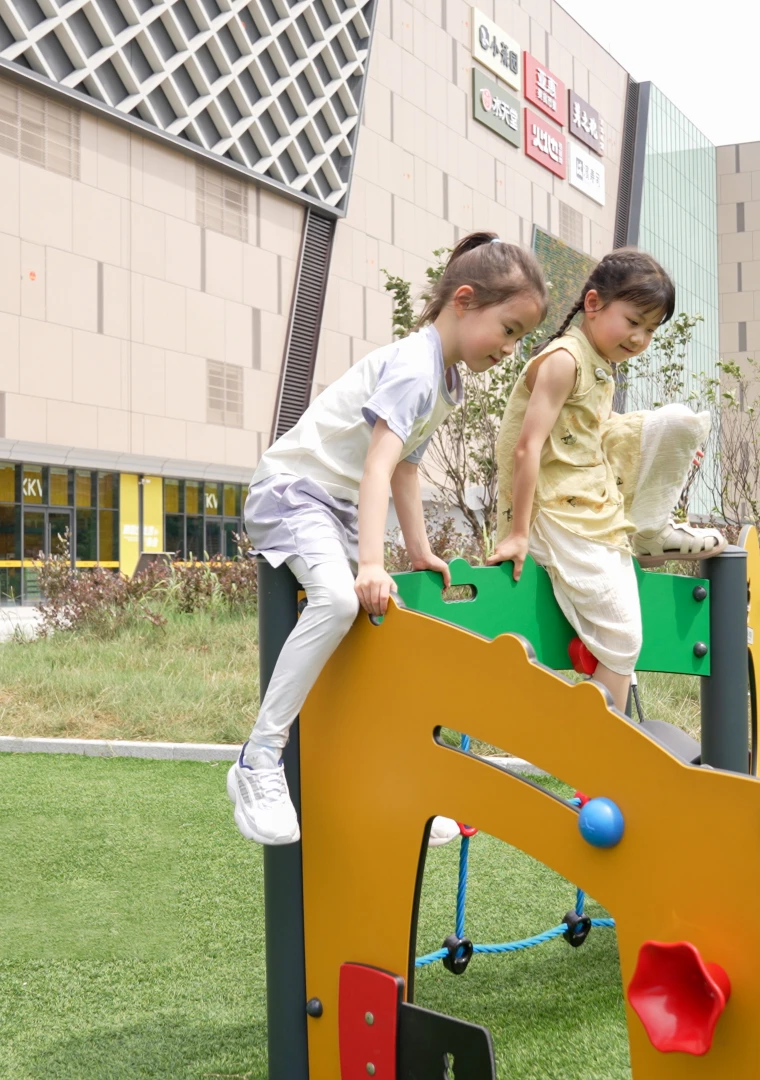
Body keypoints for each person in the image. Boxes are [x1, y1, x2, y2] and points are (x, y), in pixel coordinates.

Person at [228, 232, 550, 846]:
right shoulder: (413, 367)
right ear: (463, 301)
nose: (510, 350)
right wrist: (372, 564)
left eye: (518, 339)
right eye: (508, 330)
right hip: (293, 492)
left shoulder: (445, 381)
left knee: (384, 633)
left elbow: (406, 469)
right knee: (342, 600)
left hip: (334, 505)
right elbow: (378, 464)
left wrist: (418, 550)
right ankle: (258, 760)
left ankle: (393, 777)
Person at [487, 248, 724, 709]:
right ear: (593, 304)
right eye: (633, 321)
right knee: (621, 638)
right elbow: (524, 447)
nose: (639, 338)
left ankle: (650, 532)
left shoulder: (598, 363)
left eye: (651, 329)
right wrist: (517, 534)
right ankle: (593, 742)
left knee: (677, 422)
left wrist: (663, 452)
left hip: (589, 498)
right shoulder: (563, 361)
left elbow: (591, 432)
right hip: (557, 508)